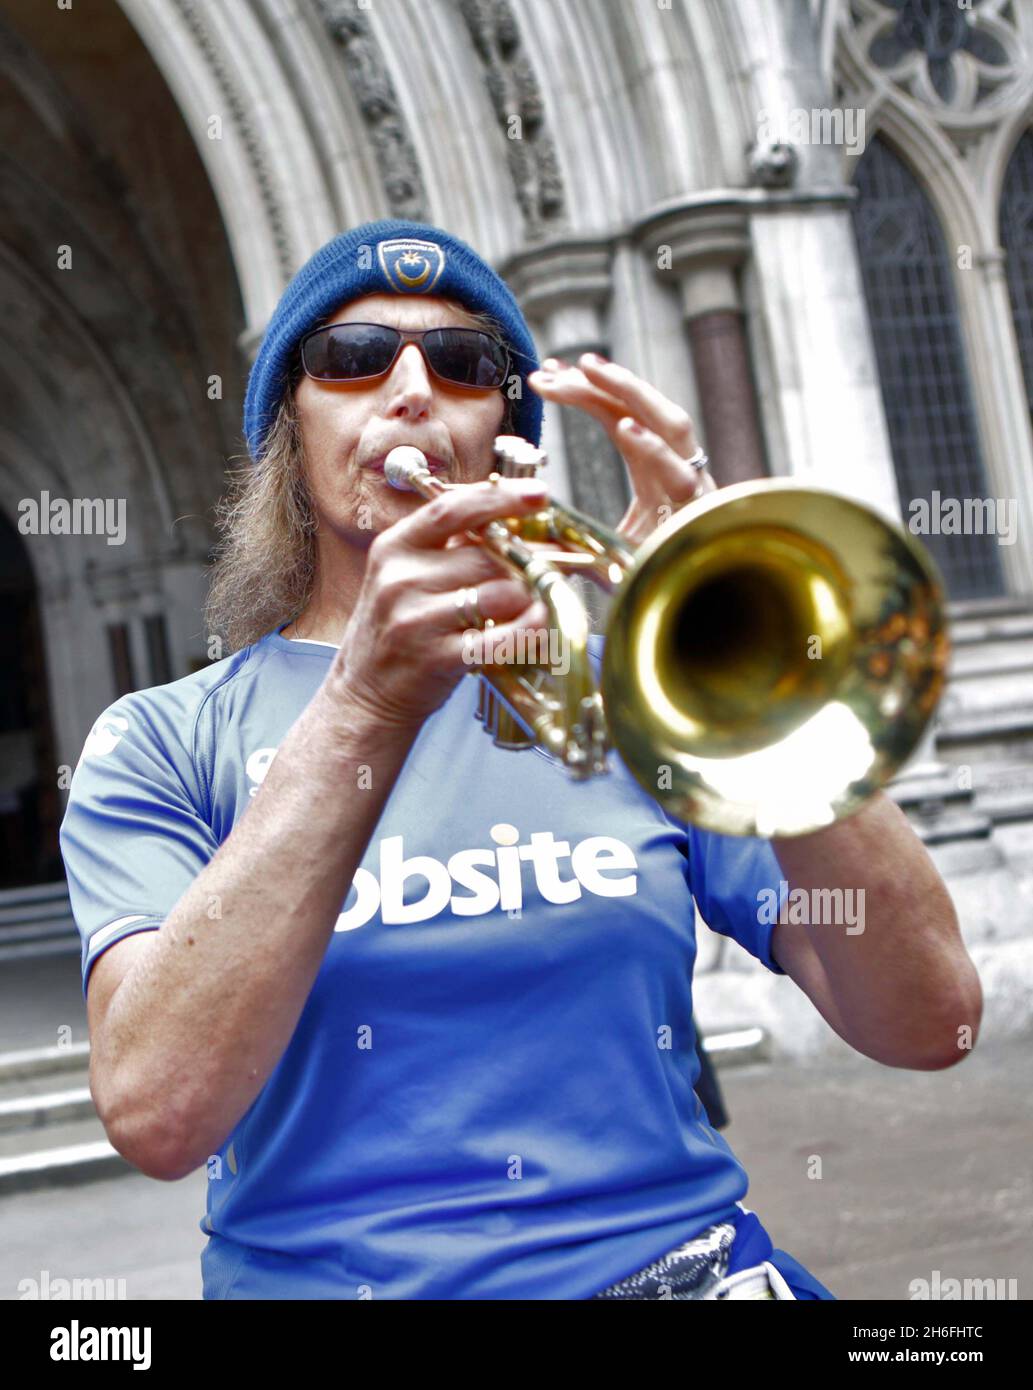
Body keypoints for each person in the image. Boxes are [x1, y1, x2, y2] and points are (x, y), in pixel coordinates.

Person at [59, 219, 981, 1301]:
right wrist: (363, 706)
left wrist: (748, 671)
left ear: (506, 426)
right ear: (287, 433)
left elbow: (931, 1020)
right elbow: (157, 1110)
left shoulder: (642, 699)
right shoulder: (160, 741)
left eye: (463, 363)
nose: (411, 390)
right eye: (352, 357)